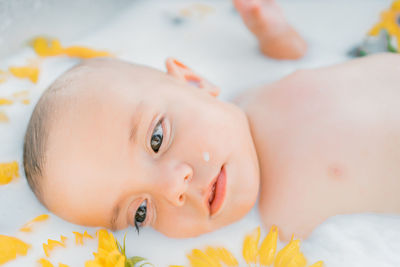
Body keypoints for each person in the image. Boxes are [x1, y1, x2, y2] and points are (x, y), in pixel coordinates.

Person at [22, 0, 400, 241]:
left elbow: (315, 64)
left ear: (195, 82)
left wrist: (276, 35)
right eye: (141, 211)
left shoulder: (254, 91)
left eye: (157, 139)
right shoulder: (289, 228)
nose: (173, 189)